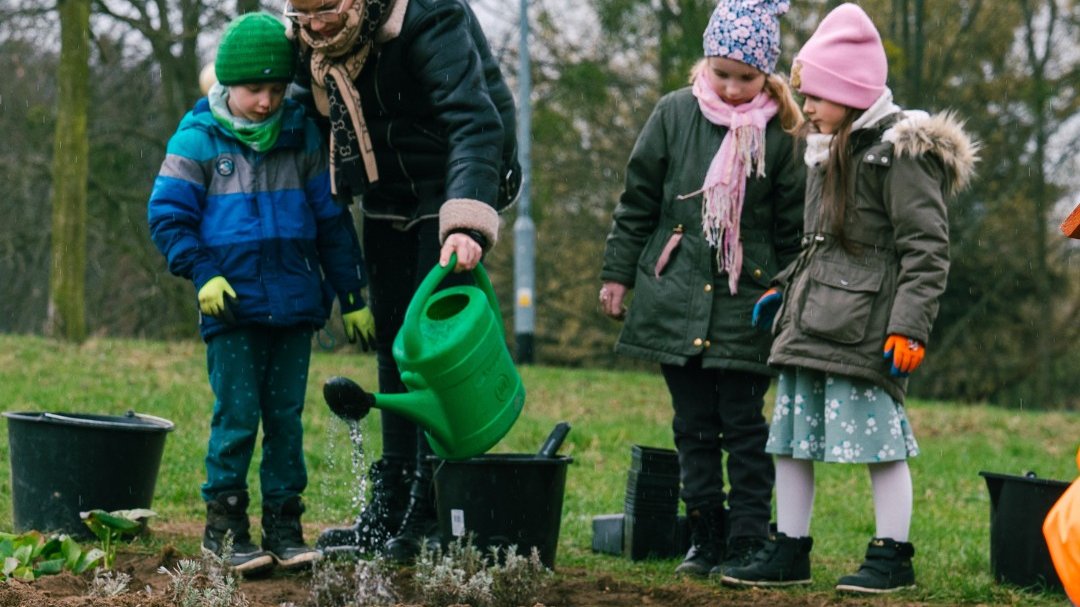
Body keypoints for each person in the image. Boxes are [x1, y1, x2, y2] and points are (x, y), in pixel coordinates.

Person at [720, 3, 978, 593]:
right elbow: (823, 246)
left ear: (851, 92)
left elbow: (926, 252)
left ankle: (893, 555)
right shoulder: (826, 149)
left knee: (880, 444)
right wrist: (784, 290)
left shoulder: (901, 156)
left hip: (868, 331)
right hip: (810, 322)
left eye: (815, 95)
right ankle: (789, 547)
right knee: (787, 438)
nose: (804, 107)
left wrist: (909, 328)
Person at [282, 0, 520, 562]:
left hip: (456, 174)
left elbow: (473, 120)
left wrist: (465, 222)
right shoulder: (307, 47)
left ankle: (432, 502)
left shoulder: (429, 18)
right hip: (385, 188)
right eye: (302, 12)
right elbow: (295, 113)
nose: (315, 25)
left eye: (326, 9)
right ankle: (392, 497)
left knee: (425, 346)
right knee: (392, 335)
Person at [147, 12, 375, 575]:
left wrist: (353, 295)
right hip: (233, 308)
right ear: (227, 84)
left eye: (277, 88)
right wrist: (204, 274)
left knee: (286, 422)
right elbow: (168, 217)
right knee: (237, 419)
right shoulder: (197, 138)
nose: (267, 102)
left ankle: (285, 527)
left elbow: (331, 223)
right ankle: (225, 531)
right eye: (255, 90)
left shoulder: (301, 135)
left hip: (297, 307)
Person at [599, 0, 805, 578]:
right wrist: (617, 274)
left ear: (767, 74)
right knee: (691, 424)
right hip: (675, 295)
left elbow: (794, 232)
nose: (735, 88)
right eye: (723, 73)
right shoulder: (671, 115)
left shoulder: (783, 137)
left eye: (747, 77)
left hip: (749, 305)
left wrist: (789, 299)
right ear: (705, 63)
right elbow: (637, 202)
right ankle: (705, 532)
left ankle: (746, 535)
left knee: (743, 425)